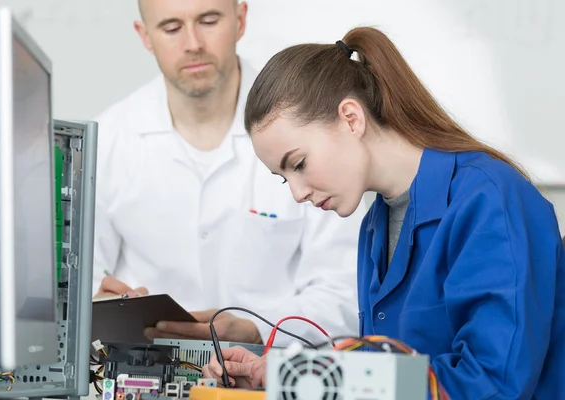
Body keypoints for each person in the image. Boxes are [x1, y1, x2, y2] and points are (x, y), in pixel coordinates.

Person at [202, 26, 565, 398]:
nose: (297, 193)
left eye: (298, 163)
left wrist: (327, 378)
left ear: (351, 118)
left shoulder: (489, 199)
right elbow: (388, 363)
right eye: (283, 178)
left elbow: (492, 383)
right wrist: (287, 375)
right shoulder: (377, 222)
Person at [91, 0, 367, 345]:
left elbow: (345, 289)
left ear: (240, 20)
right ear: (144, 36)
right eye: (172, 28)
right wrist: (96, 301)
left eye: (208, 20)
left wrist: (257, 329)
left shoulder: (306, 128)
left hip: (272, 376)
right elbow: (77, 278)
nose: (193, 43)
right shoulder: (106, 140)